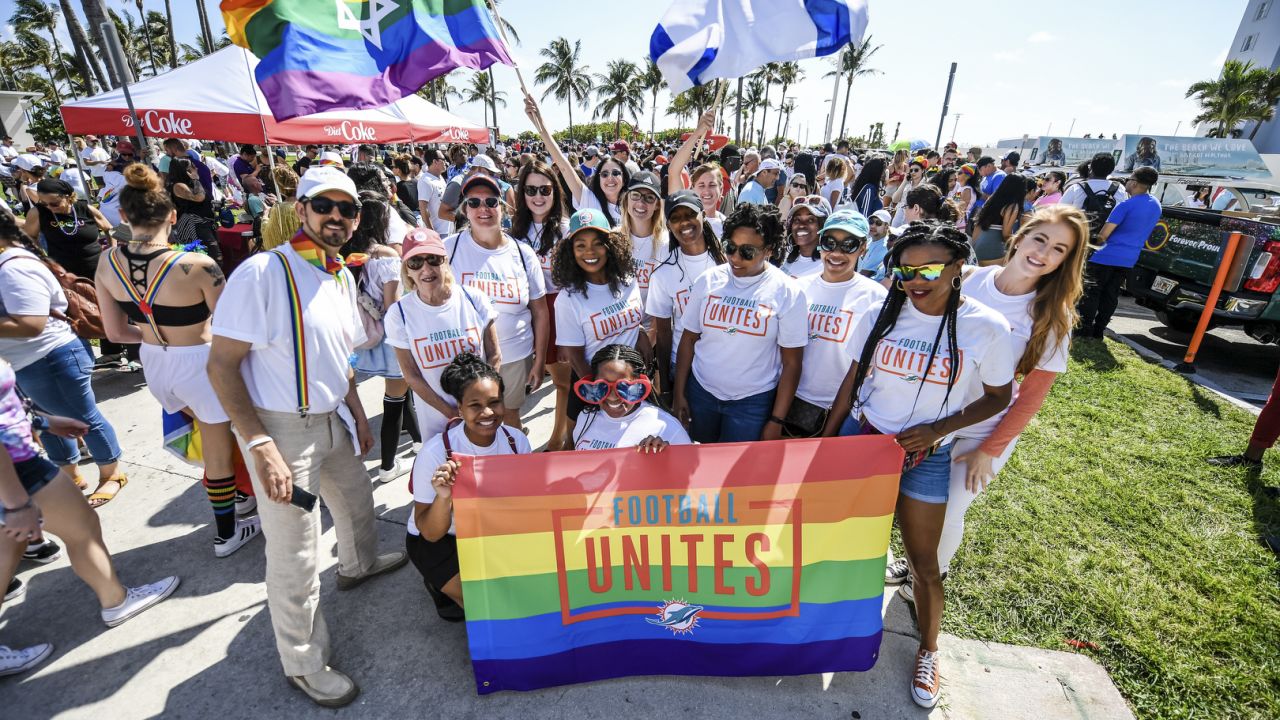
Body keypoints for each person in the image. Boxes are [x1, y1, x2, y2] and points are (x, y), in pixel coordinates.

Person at [207, 166, 408, 708]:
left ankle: (358, 565)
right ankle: (303, 662)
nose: (336, 217)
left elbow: (339, 357)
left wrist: (358, 414)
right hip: (280, 429)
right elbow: (222, 367)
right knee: (295, 553)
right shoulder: (262, 272)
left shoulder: (339, 274)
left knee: (357, 502)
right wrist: (258, 445)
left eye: (347, 209)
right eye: (325, 206)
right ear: (302, 210)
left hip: (331, 419)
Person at [823, 222, 1015, 709]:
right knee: (839, 548)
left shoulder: (986, 326)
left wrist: (938, 429)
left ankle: (929, 650)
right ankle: (824, 631)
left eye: (928, 268)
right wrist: (828, 440)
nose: (915, 279)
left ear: (958, 269)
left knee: (925, 566)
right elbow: (853, 376)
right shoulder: (878, 311)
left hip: (926, 457)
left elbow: (998, 397)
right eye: (905, 269)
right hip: (862, 444)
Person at [885, 206, 1086, 598]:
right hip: (932, 419)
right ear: (1020, 235)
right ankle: (911, 562)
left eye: (1059, 249)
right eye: (1040, 239)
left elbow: (1028, 399)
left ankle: (925, 580)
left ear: (1065, 260)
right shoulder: (970, 279)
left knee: (949, 511)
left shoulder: (1051, 317)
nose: (1043, 254)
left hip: (983, 430)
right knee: (908, 504)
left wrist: (989, 452)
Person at [93, 164, 260, 555]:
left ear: (123, 216)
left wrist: (157, 337)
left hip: (154, 363)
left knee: (209, 439)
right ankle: (226, 534)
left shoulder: (106, 263)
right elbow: (233, 327)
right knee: (218, 450)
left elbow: (115, 334)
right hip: (200, 363)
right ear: (173, 215)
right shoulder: (198, 266)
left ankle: (237, 499)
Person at [0, 357, 180, 676]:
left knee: (6, 549)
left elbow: (7, 404)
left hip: (15, 464)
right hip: (17, 468)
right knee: (82, 529)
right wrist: (15, 503)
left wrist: (45, 422)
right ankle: (117, 600)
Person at [0, 207, 127, 505]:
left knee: (83, 417)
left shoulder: (13, 268)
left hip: (53, 356)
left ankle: (112, 473)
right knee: (47, 421)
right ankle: (69, 475)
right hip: (29, 361)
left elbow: (32, 323)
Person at [406, 352, 532, 617]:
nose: (487, 412)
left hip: (490, 531)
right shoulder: (434, 453)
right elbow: (430, 533)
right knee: (488, 610)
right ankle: (439, 583)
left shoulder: (517, 441)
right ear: (460, 409)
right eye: (475, 405)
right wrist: (444, 496)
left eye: (495, 402)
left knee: (528, 598)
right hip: (443, 539)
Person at [673, 203, 807, 443]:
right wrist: (679, 394)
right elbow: (688, 339)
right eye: (730, 247)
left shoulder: (787, 292)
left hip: (752, 404)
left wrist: (776, 420)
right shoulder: (708, 281)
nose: (735, 257)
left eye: (747, 252)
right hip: (700, 393)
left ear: (768, 250)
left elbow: (792, 362)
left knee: (735, 477)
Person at [444, 174, 548, 430]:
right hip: (467, 360)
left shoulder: (523, 254)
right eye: (474, 202)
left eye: (491, 202)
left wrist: (540, 360)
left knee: (509, 417)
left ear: (503, 207)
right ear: (464, 209)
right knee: (470, 424)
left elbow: (540, 312)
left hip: (516, 356)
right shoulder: (448, 249)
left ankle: (512, 465)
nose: (483, 209)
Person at [388, 227, 500, 447]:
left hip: (482, 416)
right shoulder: (399, 314)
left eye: (433, 259)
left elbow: (494, 355)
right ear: (407, 270)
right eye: (415, 262)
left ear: (445, 261)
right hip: (437, 422)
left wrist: (482, 404)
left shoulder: (473, 298)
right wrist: (451, 412)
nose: (426, 268)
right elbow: (411, 376)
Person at [344, 191, 422, 481]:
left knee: (403, 394)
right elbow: (393, 307)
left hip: (366, 339)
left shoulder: (351, 255)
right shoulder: (386, 257)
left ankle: (418, 441)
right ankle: (388, 466)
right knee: (394, 401)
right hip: (392, 341)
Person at [788, 210, 886, 438]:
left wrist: (832, 428)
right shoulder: (798, 288)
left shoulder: (875, 297)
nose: (837, 253)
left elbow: (866, 367)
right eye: (829, 243)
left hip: (840, 409)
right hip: (791, 399)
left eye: (849, 245)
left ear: (863, 248)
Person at [552, 209, 649, 423]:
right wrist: (600, 395)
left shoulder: (628, 279)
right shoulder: (568, 300)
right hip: (595, 389)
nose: (590, 251)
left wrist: (641, 334)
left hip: (633, 384)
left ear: (610, 245)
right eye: (581, 245)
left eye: (597, 243)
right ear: (571, 251)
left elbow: (633, 322)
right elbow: (576, 357)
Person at [509, 161, 573, 450]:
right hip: (527, 312)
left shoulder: (566, 230)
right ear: (522, 193)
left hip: (559, 309)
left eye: (545, 189)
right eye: (531, 189)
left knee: (563, 383)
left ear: (555, 192)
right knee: (533, 379)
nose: (538, 196)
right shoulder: (514, 232)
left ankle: (561, 440)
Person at [646, 190, 726, 391]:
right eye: (675, 218)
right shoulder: (662, 274)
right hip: (682, 365)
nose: (684, 223)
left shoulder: (725, 262)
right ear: (668, 225)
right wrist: (664, 385)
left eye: (690, 215)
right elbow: (663, 334)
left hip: (722, 364)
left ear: (703, 215)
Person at [1076, 166, 1162, 338]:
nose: (1127, 182)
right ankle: (1099, 330)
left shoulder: (1125, 205)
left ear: (1135, 183)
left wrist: (1088, 244)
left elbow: (1104, 235)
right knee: (1111, 295)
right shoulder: (1156, 205)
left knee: (1092, 292)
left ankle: (1085, 329)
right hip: (1129, 258)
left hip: (1105, 256)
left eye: (1129, 179)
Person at [571, 344, 690, 452]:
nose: (612, 397)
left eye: (623, 387)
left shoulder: (667, 428)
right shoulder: (585, 417)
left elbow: (688, 471)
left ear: (640, 385)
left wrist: (667, 455)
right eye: (602, 386)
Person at [617, 171, 667, 308]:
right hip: (622, 325)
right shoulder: (613, 239)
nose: (641, 203)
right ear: (626, 199)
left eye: (649, 198)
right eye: (635, 195)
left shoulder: (666, 243)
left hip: (654, 325)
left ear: (657, 204)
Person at [167, 157, 222, 264]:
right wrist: (196, 179)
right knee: (212, 257)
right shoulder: (178, 186)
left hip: (205, 223)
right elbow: (198, 198)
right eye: (192, 167)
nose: (196, 168)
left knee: (214, 257)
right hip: (194, 225)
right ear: (185, 171)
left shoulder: (190, 184)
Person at [971, 174, 1028, 265]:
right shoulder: (1013, 206)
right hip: (994, 248)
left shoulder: (992, 199)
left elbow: (978, 224)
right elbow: (1006, 234)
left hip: (979, 244)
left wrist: (974, 246)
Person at [779, 196, 831, 279]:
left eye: (810, 220)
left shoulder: (827, 268)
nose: (802, 225)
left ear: (823, 226)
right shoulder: (788, 255)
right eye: (797, 220)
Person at [261, 166, 301, 251]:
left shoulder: (279, 209)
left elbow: (269, 237)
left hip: (288, 257)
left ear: (280, 187)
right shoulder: (309, 205)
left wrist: (265, 216)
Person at [417, 148, 451, 236]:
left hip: (448, 229)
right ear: (435, 161)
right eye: (443, 159)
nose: (446, 162)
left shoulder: (440, 177)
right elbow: (423, 208)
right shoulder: (425, 181)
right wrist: (431, 231)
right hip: (438, 232)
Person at [890, 158, 930, 227]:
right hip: (899, 215)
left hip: (914, 217)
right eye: (911, 170)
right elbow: (894, 200)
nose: (913, 172)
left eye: (916, 170)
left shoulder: (926, 185)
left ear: (923, 170)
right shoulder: (907, 184)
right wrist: (904, 182)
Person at [859, 209, 895, 280]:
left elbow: (865, 274)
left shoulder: (884, 246)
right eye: (871, 222)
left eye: (878, 223)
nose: (873, 226)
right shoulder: (869, 240)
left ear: (886, 226)